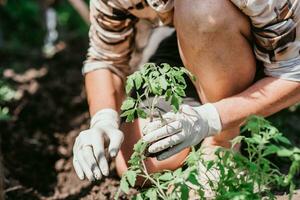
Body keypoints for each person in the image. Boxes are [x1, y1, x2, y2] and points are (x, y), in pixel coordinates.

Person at [72, 0, 300, 182]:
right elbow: (106, 58)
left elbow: (294, 75)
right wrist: (103, 120)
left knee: (201, 6)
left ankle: (222, 147)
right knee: (140, 162)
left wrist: (211, 119)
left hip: (269, 45)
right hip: (192, 34)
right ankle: (176, 40)